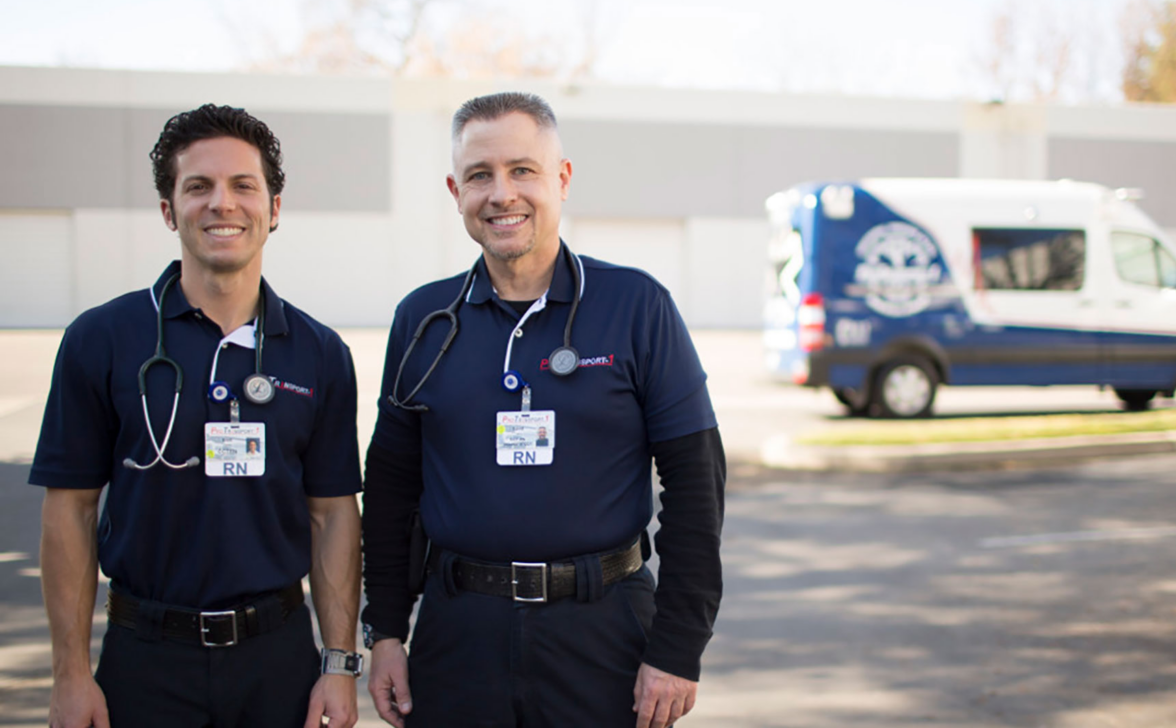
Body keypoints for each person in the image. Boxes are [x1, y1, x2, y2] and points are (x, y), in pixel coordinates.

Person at [361, 91, 726, 728]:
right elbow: (392, 491)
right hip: (459, 637)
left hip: (604, 632)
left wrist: (677, 648)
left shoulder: (636, 306)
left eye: (522, 170)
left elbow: (698, 488)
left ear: (561, 178)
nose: (502, 193)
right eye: (480, 175)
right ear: (456, 191)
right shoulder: (422, 321)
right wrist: (386, 631)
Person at [31, 104, 364, 728]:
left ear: (275, 208)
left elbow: (333, 514)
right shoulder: (101, 339)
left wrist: (339, 666)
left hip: (279, 661)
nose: (223, 204)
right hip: (145, 661)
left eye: (244, 185)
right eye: (198, 187)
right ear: (168, 211)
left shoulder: (319, 353)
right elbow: (69, 510)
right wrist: (71, 675)